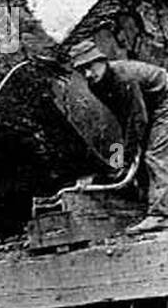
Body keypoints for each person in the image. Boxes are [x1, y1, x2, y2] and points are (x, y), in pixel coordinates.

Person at [70, 39, 168, 233]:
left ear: (102, 60)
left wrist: (129, 154)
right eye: (82, 71)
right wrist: (120, 161)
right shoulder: (97, 85)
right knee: (138, 155)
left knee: (154, 155)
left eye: (90, 67)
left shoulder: (124, 78)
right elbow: (122, 120)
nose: (88, 74)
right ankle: (146, 203)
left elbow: (138, 119)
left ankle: (161, 215)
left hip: (164, 101)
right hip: (149, 107)